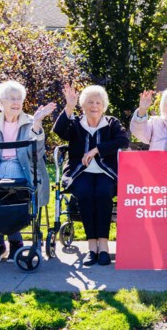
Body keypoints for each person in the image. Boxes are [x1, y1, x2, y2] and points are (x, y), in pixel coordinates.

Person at [0, 80, 57, 263]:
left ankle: (13, 242)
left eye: (19, 98)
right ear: (1, 102)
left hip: (25, 170)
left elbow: (37, 155)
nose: (16, 102)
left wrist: (38, 124)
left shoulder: (32, 122)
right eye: (11, 98)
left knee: (14, 191)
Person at [53, 84, 130, 267]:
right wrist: (69, 106)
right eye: (90, 102)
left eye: (98, 102)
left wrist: (97, 150)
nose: (94, 106)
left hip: (106, 172)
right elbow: (59, 132)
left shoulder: (112, 123)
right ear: (83, 105)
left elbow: (123, 140)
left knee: (103, 193)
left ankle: (103, 246)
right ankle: (91, 247)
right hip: (80, 172)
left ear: (104, 106)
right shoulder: (75, 123)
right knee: (85, 193)